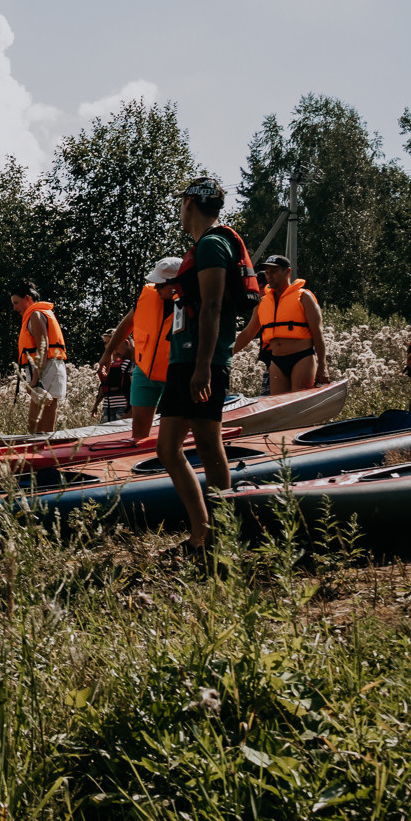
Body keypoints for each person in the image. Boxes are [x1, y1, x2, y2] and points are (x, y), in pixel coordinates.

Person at [161, 175, 261, 556]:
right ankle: (210, 535)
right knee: (198, 443)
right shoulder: (206, 244)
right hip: (192, 358)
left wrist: (203, 365)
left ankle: (213, 535)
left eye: (181, 201)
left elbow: (215, 305)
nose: (179, 209)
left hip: (200, 360)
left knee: (177, 447)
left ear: (190, 203)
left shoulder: (213, 245)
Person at [98, 257, 181, 439]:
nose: (155, 288)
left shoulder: (193, 303)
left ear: (176, 283)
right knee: (139, 431)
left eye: (160, 284)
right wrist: (107, 353)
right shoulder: (148, 296)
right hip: (144, 371)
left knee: (171, 434)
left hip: (174, 373)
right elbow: (126, 325)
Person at [234, 256, 328, 393]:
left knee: (297, 402)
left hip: (302, 358)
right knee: (280, 406)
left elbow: (318, 333)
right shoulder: (262, 303)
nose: (269, 276)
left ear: (287, 272)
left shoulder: (304, 297)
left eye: (274, 271)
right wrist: (226, 354)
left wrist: (323, 366)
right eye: (267, 273)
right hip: (277, 361)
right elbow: (247, 333)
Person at [9, 284, 67, 435]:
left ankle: (44, 453)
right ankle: (38, 452)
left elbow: (43, 347)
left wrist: (34, 381)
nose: (15, 308)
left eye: (16, 303)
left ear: (27, 299)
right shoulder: (39, 313)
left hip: (46, 369)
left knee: (42, 428)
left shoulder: (35, 315)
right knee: (34, 426)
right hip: (45, 368)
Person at [95, 333, 134, 424]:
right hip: (108, 406)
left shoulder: (128, 364)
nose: (109, 346)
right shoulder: (107, 365)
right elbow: (103, 386)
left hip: (122, 406)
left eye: (111, 342)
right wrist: (96, 405)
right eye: (106, 343)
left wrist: (128, 409)